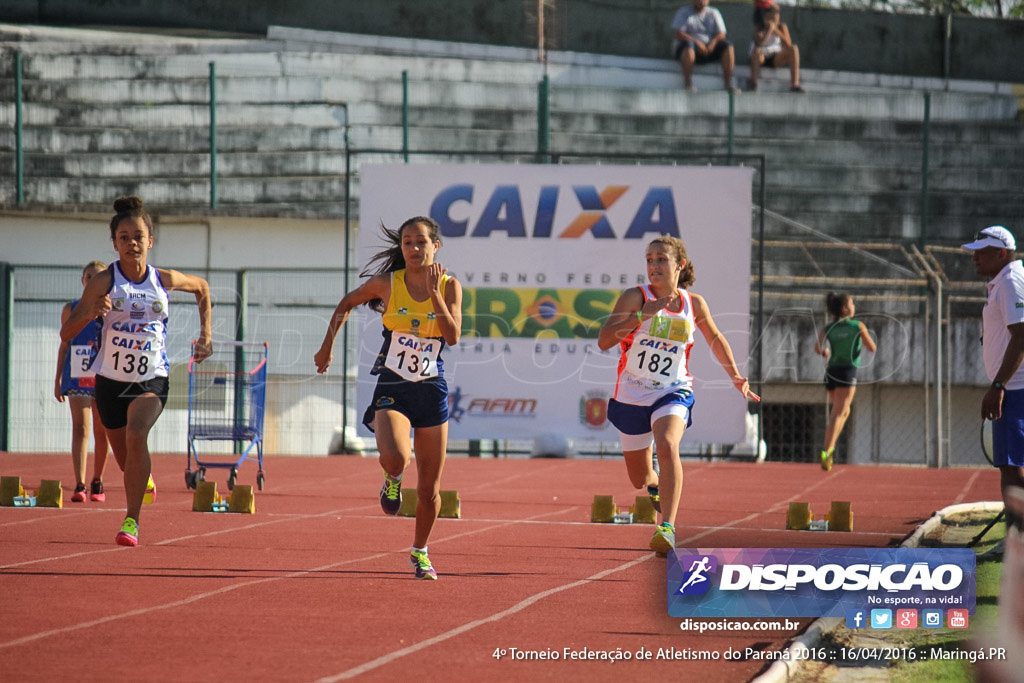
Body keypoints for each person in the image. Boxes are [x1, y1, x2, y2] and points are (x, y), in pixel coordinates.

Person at [314, 216, 462, 580]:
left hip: (431, 388)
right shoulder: (387, 283)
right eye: (407, 242)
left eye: (421, 242)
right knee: (397, 457)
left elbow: (453, 335)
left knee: (429, 488)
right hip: (393, 385)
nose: (414, 248)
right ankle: (392, 477)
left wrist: (435, 296)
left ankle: (420, 551)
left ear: (435, 246)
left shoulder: (450, 285)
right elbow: (346, 303)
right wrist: (326, 347)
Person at [60, 195, 212, 546]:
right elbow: (67, 334)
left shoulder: (162, 279)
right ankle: (142, 478)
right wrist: (90, 311)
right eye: (124, 237)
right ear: (114, 243)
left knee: (136, 433)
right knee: (126, 459)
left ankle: (131, 521)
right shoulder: (103, 281)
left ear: (150, 241)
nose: (132, 243)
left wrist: (205, 335)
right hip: (110, 380)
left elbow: (202, 288)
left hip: (151, 376)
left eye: (138, 236)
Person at [597, 235, 759, 556]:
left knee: (668, 443)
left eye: (661, 259)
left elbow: (714, 338)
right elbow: (604, 340)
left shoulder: (693, 304)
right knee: (638, 478)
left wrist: (735, 376)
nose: (654, 266)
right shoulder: (635, 297)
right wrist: (641, 317)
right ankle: (656, 482)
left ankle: (667, 527)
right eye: (649, 260)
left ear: (678, 265)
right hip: (632, 394)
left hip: (673, 389)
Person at [962, 225, 1024, 560]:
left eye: (981, 251)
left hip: (1016, 388)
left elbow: (1022, 334)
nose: (975, 256)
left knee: (1012, 467)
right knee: (1010, 465)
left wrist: (999, 385)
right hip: (1014, 387)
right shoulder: (1003, 281)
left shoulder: (1011, 281)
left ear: (1001, 253)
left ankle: (1016, 544)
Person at [54, 261, 111, 503]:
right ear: (83, 280)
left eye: (98, 278)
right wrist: (57, 379)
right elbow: (64, 343)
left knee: (103, 429)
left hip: (105, 375)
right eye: (88, 277)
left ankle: (97, 480)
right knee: (81, 427)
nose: (92, 281)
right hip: (78, 374)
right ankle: (79, 484)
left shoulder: (113, 309)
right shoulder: (71, 309)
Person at [814, 292, 876, 471]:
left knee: (843, 411)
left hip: (831, 372)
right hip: (847, 371)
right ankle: (827, 451)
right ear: (845, 308)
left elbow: (818, 347)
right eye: (852, 303)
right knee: (838, 414)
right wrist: (860, 342)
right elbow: (872, 347)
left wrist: (825, 352)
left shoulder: (829, 328)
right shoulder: (857, 326)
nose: (854, 306)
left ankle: (829, 450)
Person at [671, 0, 740, 93]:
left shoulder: (713, 12)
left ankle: (728, 83)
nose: (701, 1)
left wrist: (713, 43)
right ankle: (688, 83)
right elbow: (678, 33)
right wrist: (697, 42)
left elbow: (722, 33)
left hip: (708, 49)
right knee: (688, 46)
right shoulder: (683, 12)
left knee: (728, 46)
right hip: (689, 49)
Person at [748, 4, 804, 92]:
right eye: (771, 15)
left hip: (775, 57)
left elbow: (788, 44)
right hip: (761, 57)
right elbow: (759, 43)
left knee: (794, 49)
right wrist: (769, 30)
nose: (775, 18)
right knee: (757, 52)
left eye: (777, 15)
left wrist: (776, 31)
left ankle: (794, 83)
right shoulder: (758, 28)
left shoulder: (782, 27)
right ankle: (753, 83)